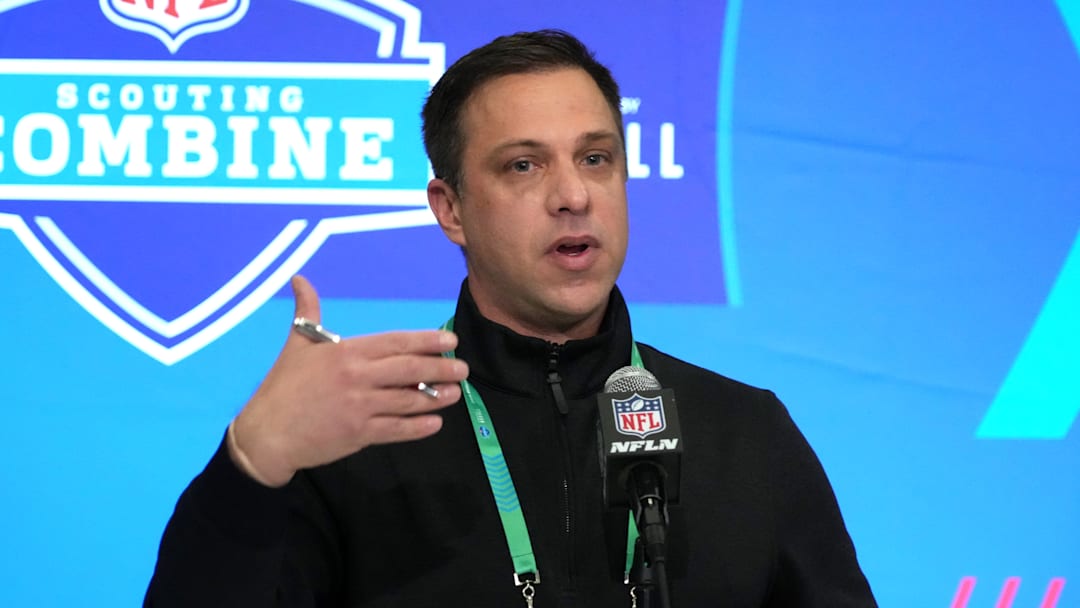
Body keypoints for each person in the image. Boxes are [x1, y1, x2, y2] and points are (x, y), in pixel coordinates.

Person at [145, 30, 877, 607]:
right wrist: (250, 467)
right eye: (523, 166)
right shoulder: (355, 441)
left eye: (596, 158)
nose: (573, 195)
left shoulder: (745, 435)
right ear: (451, 209)